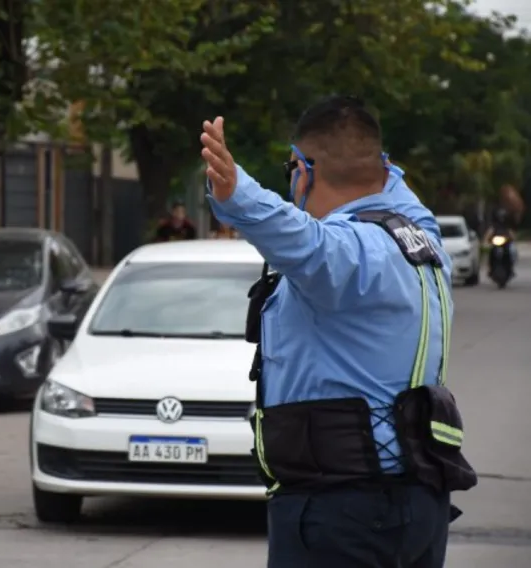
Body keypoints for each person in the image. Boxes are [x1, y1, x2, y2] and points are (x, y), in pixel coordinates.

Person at [200, 95, 476, 567]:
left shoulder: (351, 252)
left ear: (303, 170)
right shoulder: (422, 237)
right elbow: (385, 194)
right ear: (384, 168)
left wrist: (235, 192)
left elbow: (302, 239)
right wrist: (375, 166)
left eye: (292, 170)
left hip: (340, 510)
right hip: (418, 506)